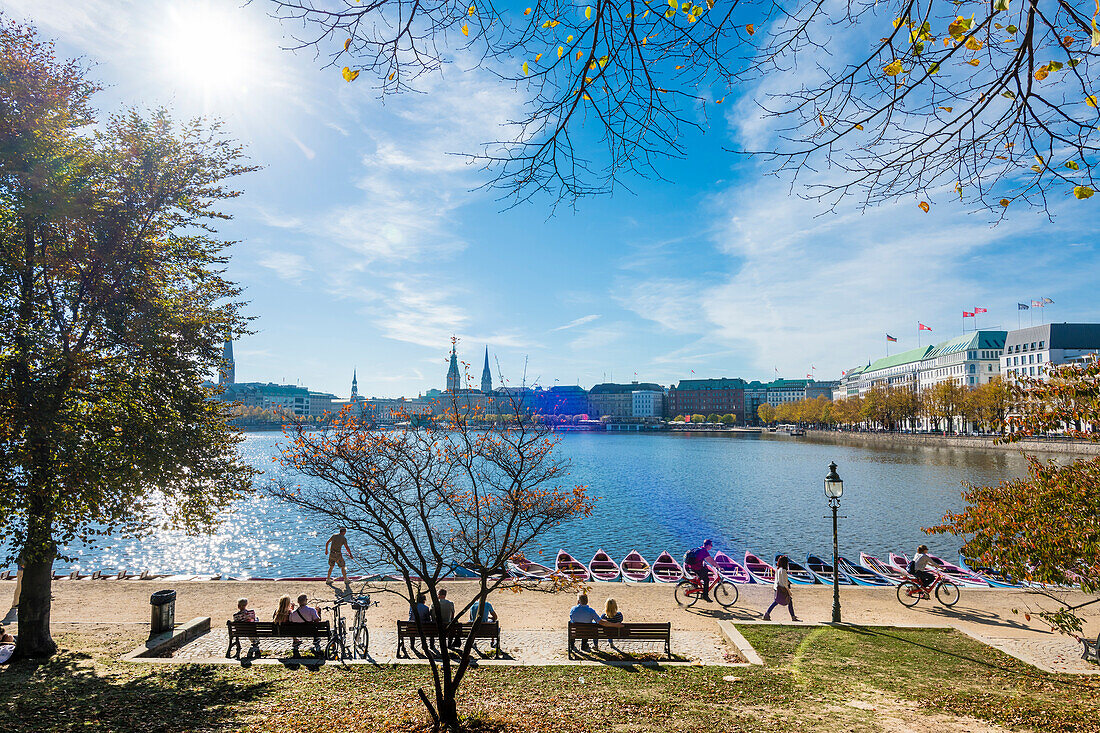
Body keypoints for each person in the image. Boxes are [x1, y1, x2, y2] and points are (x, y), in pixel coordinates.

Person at [763, 556, 800, 622]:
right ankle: (793, 617)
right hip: (782, 589)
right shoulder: (783, 571)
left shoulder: (778, 569)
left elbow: (779, 580)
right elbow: (784, 583)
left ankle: (767, 614)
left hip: (777, 588)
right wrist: (789, 591)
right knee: (789, 601)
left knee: (777, 601)